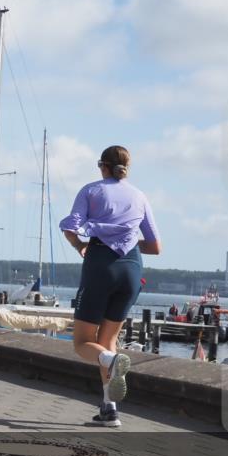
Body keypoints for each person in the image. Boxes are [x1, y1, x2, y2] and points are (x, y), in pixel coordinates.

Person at [59, 145, 161, 428]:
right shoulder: (140, 196)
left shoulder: (91, 191)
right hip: (132, 267)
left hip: (100, 263)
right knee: (108, 340)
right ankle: (109, 409)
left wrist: (81, 244)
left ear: (102, 166)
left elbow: (71, 226)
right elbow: (155, 246)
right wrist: (127, 240)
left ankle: (111, 361)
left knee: (83, 343)